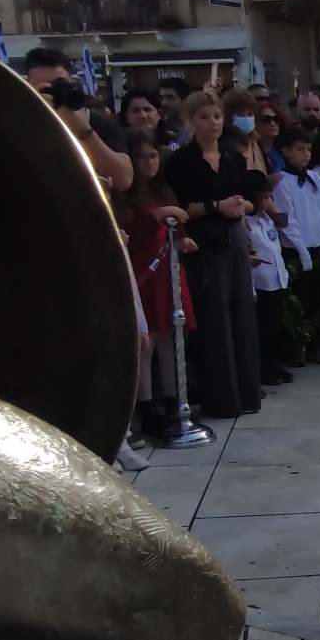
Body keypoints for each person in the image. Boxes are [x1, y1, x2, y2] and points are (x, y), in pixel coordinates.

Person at [164, 89, 261, 418]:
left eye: (217, 116)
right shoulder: (181, 161)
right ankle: (221, 398)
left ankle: (247, 392)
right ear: (191, 121)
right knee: (214, 317)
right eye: (204, 117)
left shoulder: (233, 157)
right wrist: (216, 206)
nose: (213, 123)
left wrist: (239, 206)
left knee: (242, 312)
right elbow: (182, 206)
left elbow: (252, 201)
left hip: (234, 237)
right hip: (204, 241)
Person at [115, 133, 196, 437]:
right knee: (145, 343)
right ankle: (146, 406)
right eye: (142, 157)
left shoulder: (164, 190)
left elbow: (179, 225)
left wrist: (183, 238)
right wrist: (157, 216)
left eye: (153, 156)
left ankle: (174, 400)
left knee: (169, 339)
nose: (149, 163)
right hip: (142, 271)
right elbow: (131, 230)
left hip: (167, 270)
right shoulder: (124, 195)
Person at [23, 47, 132, 192]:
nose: (53, 92)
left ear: (72, 82)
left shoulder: (100, 124)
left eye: (58, 84)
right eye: (44, 88)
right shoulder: (19, 126)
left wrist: (81, 128)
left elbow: (123, 179)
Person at [272, 127, 320, 364]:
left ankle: (314, 345)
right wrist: (301, 251)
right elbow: (287, 220)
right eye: (300, 149)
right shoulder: (282, 182)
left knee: (316, 298)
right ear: (286, 151)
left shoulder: (316, 179)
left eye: (309, 149)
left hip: (317, 246)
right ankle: (295, 347)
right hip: (295, 249)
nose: (306, 154)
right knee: (296, 300)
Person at [241, 170, 293, 386]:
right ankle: (262, 368)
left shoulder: (267, 220)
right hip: (260, 283)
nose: (268, 201)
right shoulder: (246, 223)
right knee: (262, 329)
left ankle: (273, 363)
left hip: (276, 279)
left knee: (274, 327)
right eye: (263, 197)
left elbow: (283, 223)